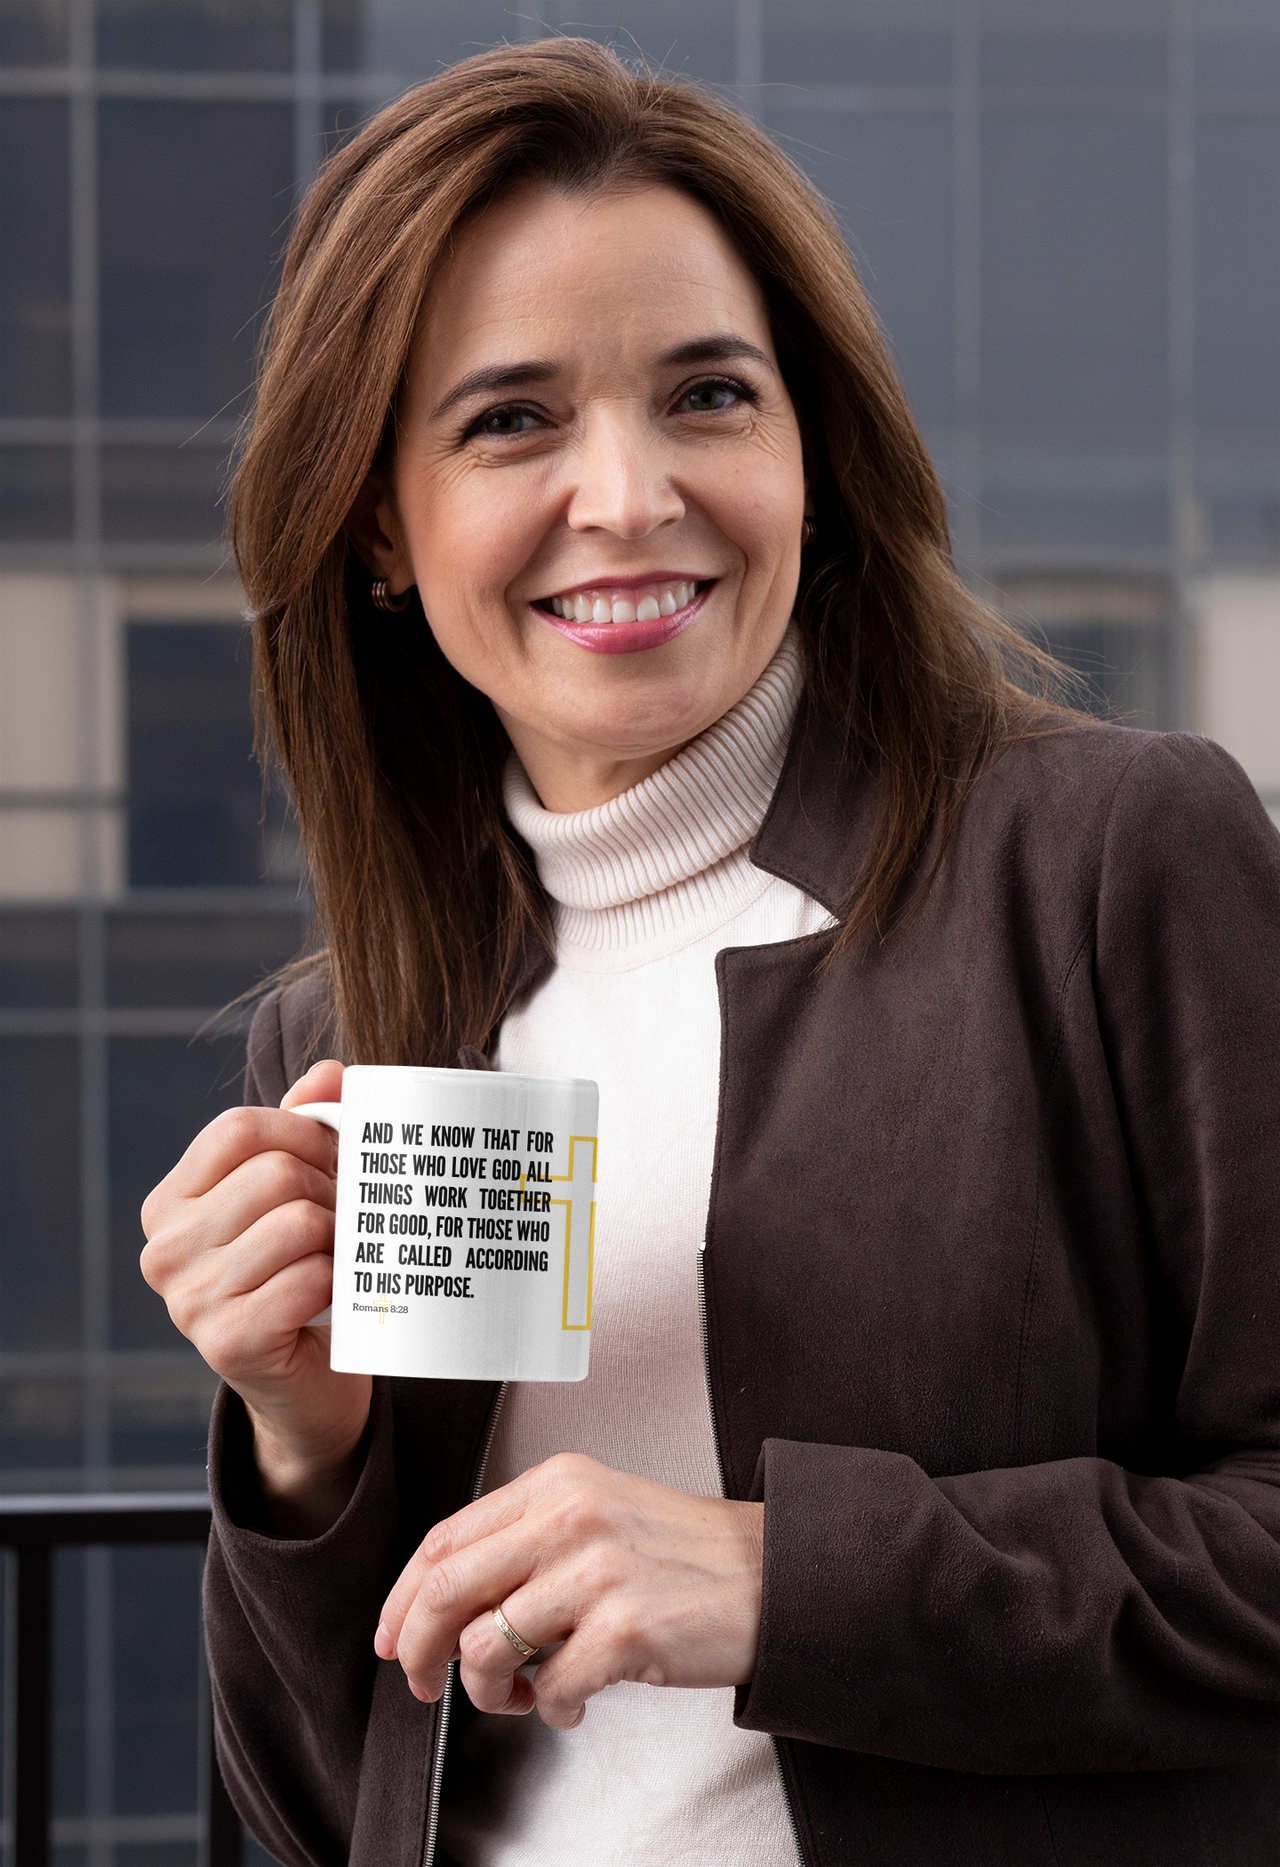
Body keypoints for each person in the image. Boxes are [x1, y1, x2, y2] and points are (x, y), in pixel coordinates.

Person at [140, 36, 1280, 1867]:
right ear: (374, 523)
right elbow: (305, 1804)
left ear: (810, 449)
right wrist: (301, 1444)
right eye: (512, 419)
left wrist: (777, 1576)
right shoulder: (349, 1036)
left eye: (707, 396)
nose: (630, 494)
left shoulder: (1106, 863)